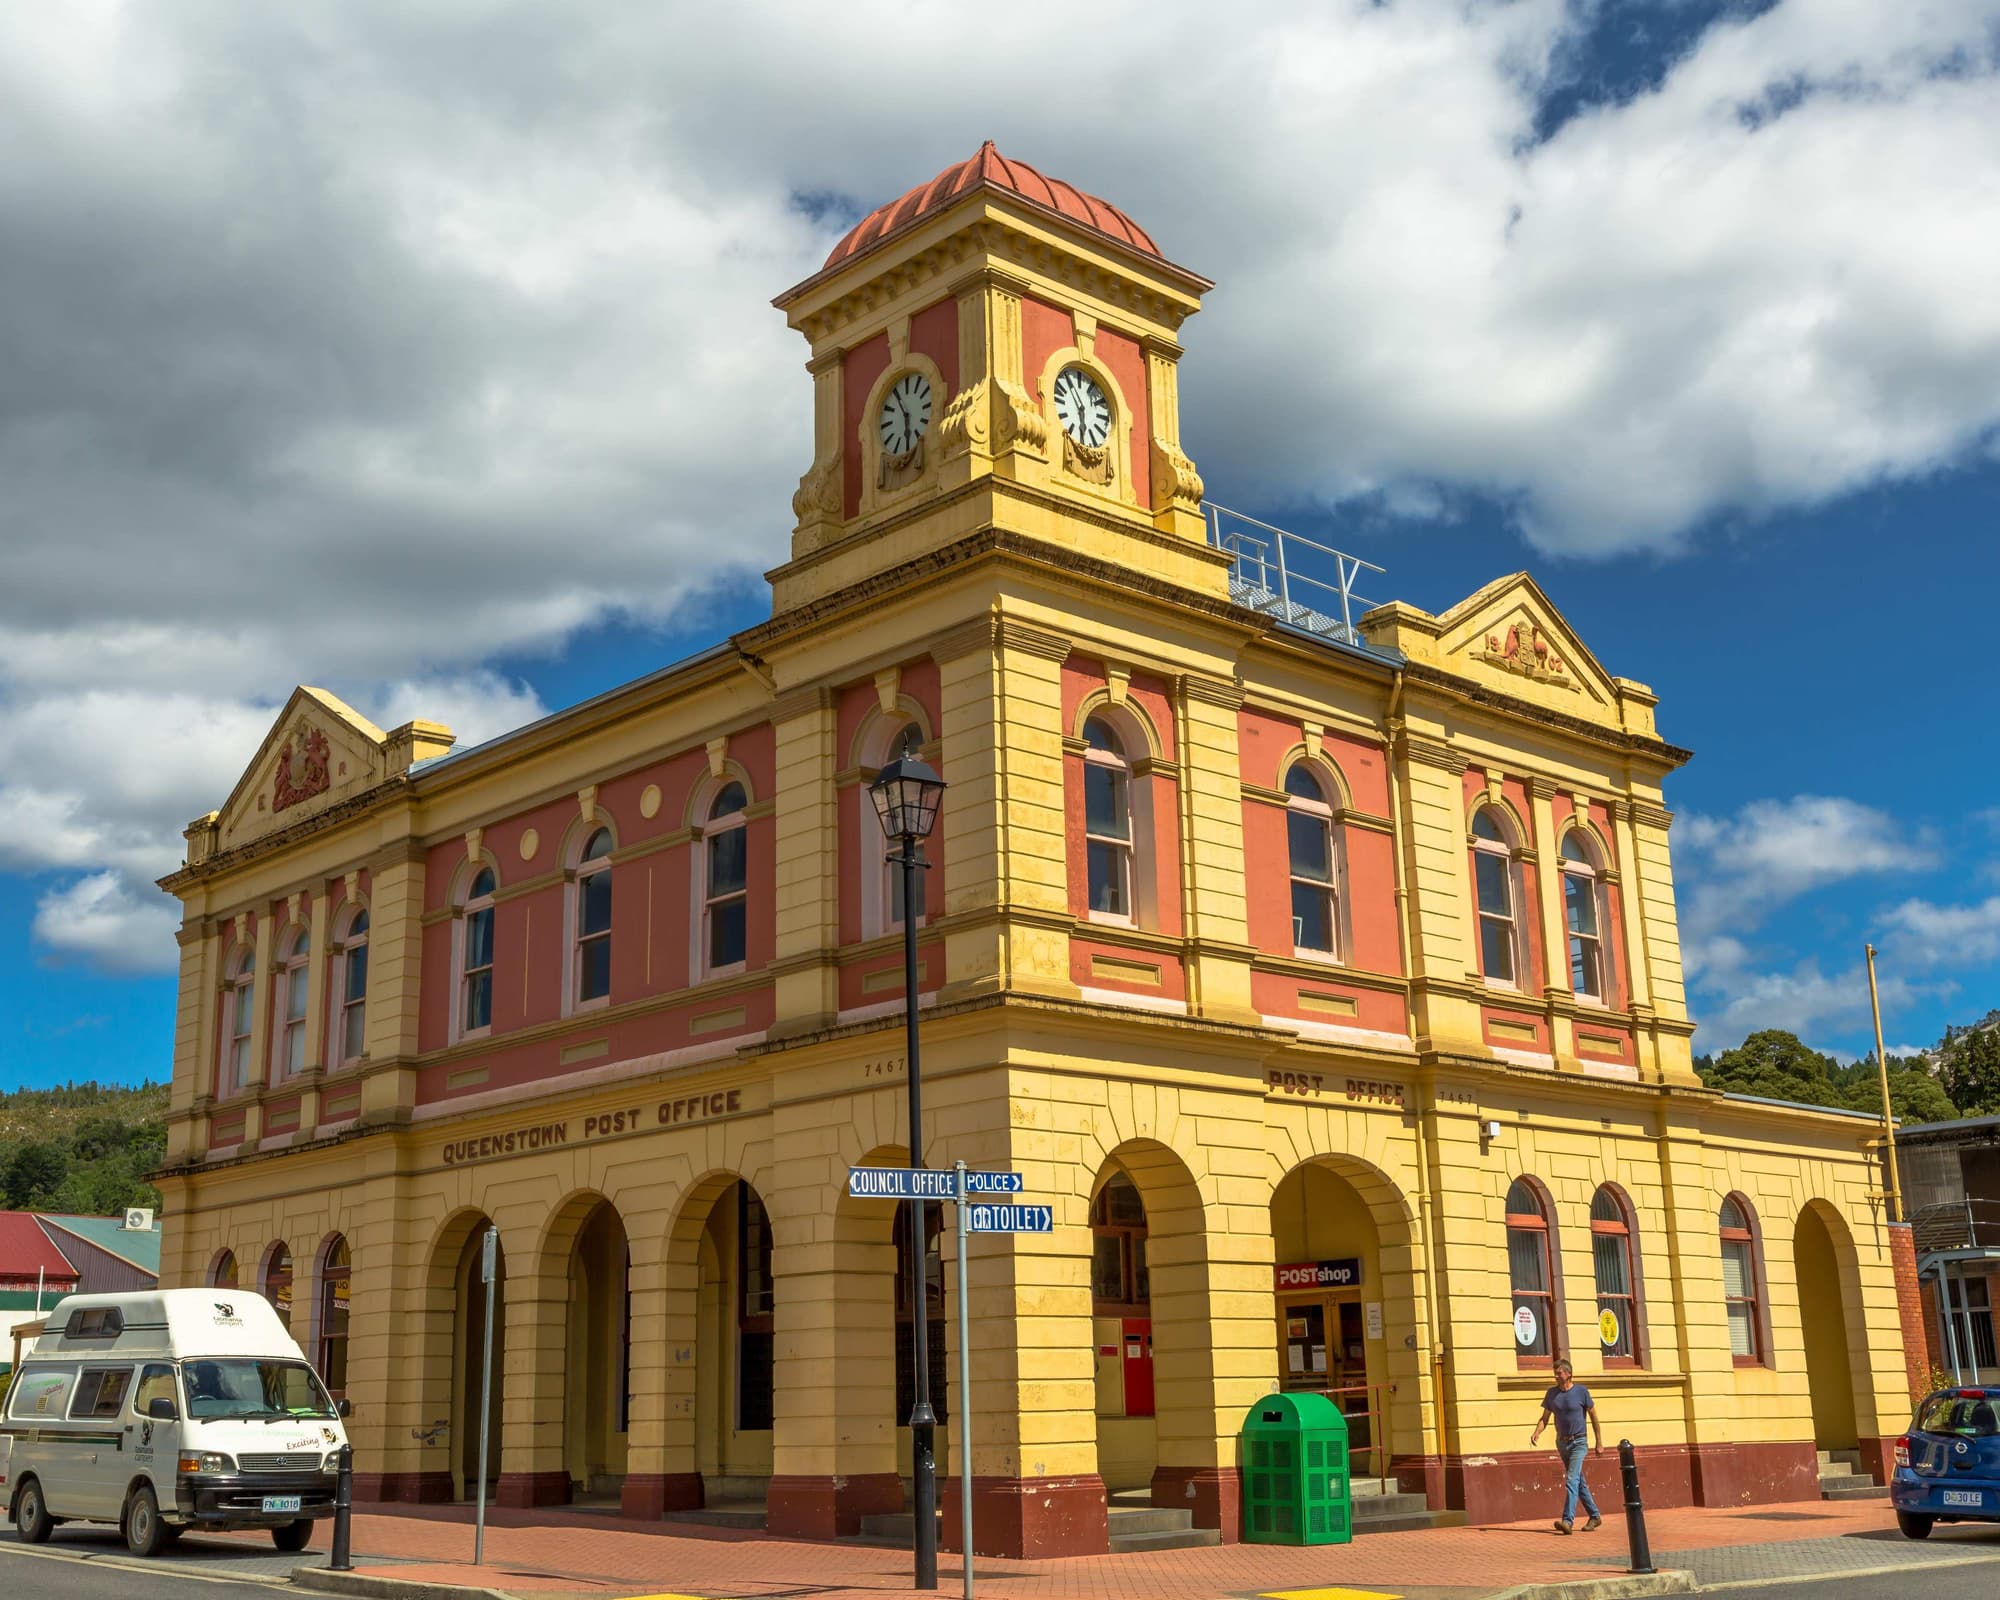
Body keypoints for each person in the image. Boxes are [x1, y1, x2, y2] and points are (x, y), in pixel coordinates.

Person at [1529, 1357, 1603, 1534]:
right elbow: (1545, 1418)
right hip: (1562, 1443)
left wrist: (1599, 1441)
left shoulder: (1581, 1392)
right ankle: (1595, 1516)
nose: (1555, 1376)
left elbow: (1593, 1416)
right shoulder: (1552, 1394)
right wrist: (1537, 1432)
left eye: (1559, 1372)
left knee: (1571, 1480)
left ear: (1569, 1374)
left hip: (1579, 1442)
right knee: (1578, 1482)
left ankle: (1567, 1521)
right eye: (1555, 1373)